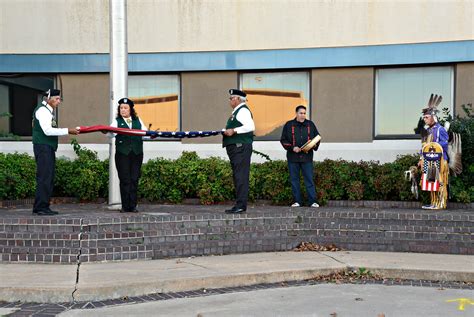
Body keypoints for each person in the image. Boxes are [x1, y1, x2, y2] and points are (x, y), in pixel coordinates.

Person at [32, 89, 79, 215]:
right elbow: (47, 131)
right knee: (45, 177)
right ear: (48, 98)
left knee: (48, 177)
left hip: (46, 147)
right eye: (56, 99)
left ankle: (41, 206)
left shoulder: (47, 111)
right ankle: (41, 208)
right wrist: (68, 130)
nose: (58, 101)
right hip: (43, 147)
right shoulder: (43, 111)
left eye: (59, 99)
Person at [109, 98, 146, 213]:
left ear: (131, 109)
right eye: (121, 108)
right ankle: (125, 206)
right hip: (122, 154)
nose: (123, 110)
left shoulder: (138, 120)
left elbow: (145, 133)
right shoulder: (116, 121)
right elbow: (110, 134)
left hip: (137, 153)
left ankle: (133, 206)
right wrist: (107, 131)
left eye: (125, 108)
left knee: (134, 179)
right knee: (125, 179)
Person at [280, 105, 320, 208]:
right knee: (294, 180)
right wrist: (292, 148)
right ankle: (297, 201)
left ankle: (312, 202)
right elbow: (283, 140)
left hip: (307, 158)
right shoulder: (289, 125)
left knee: (309, 179)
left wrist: (312, 145)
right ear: (296, 113)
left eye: (304, 113)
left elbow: (317, 138)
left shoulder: (310, 124)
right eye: (301, 113)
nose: (303, 115)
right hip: (293, 157)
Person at [222, 89, 255, 214]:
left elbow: (251, 127)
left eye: (231, 98)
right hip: (237, 148)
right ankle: (239, 204)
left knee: (240, 176)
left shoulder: (243, 110)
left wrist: (234, 130)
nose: (230, 100)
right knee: (238, 176)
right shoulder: (237, 111)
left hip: (240, 147)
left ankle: (241, 205)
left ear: (237, 99)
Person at [418, 94, 449, 210]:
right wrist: (421, 158)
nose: (424, 119)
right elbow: (423, 147)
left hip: (440, 161)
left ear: (433, 117)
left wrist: (434, 145)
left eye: (426, 117)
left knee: (440, 181)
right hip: (430, 160)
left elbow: (445, 143)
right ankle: (433, 202)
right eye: (424, 117)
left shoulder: (440, 129)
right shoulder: (427, 130)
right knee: (431, 182)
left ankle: (441, 203)